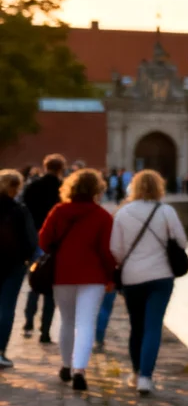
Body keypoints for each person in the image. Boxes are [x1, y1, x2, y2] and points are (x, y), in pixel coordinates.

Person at [110, 170, 187, 395]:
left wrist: (129, 261)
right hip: (161, 277)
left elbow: (115, 248)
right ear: (159, 187)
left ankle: (135, 373)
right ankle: (146, 378)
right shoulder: (166, 211)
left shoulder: (123, 213)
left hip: (132, 278)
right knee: (153, 326)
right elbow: (182, 241)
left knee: (137, 326)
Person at [36, 168, 113, 391]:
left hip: (63, 274)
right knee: (86, 322)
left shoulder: (59, 211)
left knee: (67, 321)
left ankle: (66, 366)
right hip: (93, 276)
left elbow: (43, 241)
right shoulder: (102, 215)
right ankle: (80, 370)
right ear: (97, 189)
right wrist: (110, 277)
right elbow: (107, 251)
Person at [20, 154, 66, 342]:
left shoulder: (32, 187)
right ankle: (45, 331)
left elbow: (24, 213)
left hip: (35, 240)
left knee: (34, 282)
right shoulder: (63, 189)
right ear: (61, 168)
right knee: (50, 287)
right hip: (55, 242)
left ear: (45, 166)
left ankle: (28, 320)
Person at [0, 170, 36, 368]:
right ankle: (0, 352)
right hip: (13, 265)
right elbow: (31, 241)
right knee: (6, 308)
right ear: (15, 188)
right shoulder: (19, 210)